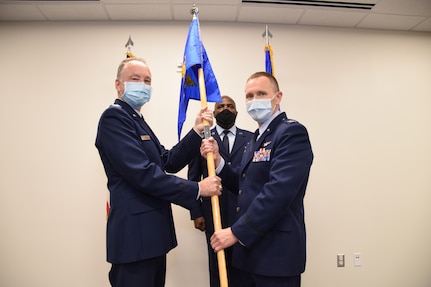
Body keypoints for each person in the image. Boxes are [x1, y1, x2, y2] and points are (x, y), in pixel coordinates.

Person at [95, 57, 222, 287]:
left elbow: (167, 161)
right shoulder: (114, 118)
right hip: (134, 239)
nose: (142, 85)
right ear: (118, 85)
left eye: (147, 80)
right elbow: (143, 174)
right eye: (135, 79)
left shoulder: (137, 120)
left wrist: (196, 131)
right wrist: (197, 188)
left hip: (152, 236)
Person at [201, 71, 314, 287]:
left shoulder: (291, 133)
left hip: (276, 256)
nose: (254, 101)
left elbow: (278, 194)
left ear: (278, 97)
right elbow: (243, 186)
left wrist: (235, 232)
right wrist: (218, 161)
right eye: (249, 96)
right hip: (248, 255)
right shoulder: (255, 138)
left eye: (261, 94)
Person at [187, 95, 253, 287]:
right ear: (214, 113)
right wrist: (196, 213)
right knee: (218, 267)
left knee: (243, 268)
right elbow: (193, 178)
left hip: (244, 214)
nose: (225, 109)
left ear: (237, 111)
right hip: (213, 213)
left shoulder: (251, 138)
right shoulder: (203, 138)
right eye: (221, 106)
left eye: (230, 106)